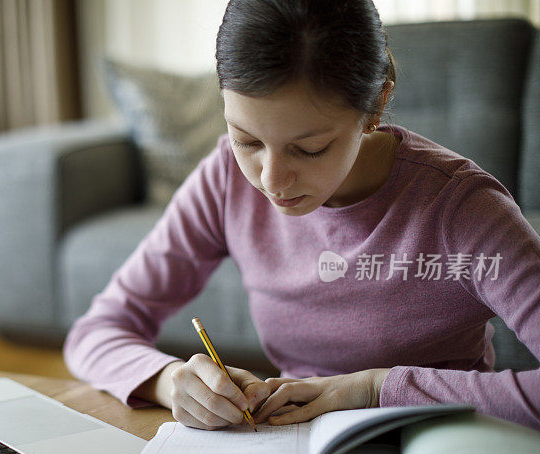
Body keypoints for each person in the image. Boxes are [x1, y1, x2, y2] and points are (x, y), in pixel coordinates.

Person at [63, 0, 540, 431]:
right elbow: (96, 332)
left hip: (443, 453)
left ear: (374, 107)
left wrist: (373, 390)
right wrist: (169, 382)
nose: (271, 180)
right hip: (296, 449)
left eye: (309, 149)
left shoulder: (461, 208)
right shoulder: (225, 180)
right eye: (246, 139)